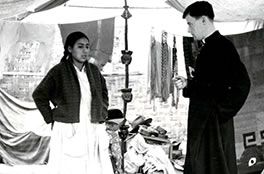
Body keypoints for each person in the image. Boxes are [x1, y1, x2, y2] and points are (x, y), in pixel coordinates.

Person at [173, 1, 251, 174]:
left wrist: (221, 112)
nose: (188, 29)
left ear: (203, 20)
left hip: (214, 125)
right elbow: (210, 86)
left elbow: (243, 84)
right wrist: (188, 84)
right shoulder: (208, 47)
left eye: (190, 24)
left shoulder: (223, 46)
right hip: (202, 123)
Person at [32, 31, 113, 174]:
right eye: (80, 46)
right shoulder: (59, 71)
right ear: (70, 49)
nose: (85, 51)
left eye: (87, 47)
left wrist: (103, 111)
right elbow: (39, 95)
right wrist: (52, 117)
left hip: (92, 126)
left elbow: (104, 93)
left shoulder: (93, 71)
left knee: (94, 166)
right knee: (70, 167)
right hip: (68, 128)